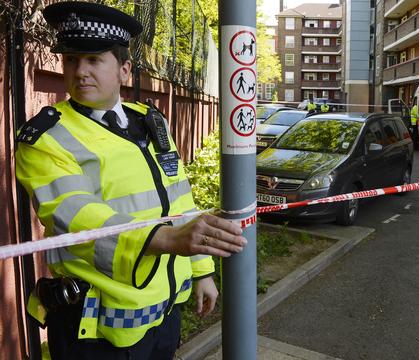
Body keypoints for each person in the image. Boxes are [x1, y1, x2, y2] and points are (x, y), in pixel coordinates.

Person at [15, 2, 246, 359]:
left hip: (164, 315)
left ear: (124, 70)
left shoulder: (151, 122)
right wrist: (167, 238)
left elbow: (180, 199)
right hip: (96, 328)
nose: (80, 72)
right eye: (72, 60)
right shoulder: (46, 138)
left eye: (94, 61)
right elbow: (76, 215)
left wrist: (201, 272)